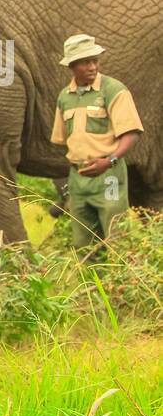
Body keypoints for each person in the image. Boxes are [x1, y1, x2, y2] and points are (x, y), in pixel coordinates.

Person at [50, 34, 144, 260]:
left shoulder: (114, 90)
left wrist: (109, 160)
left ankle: (122, 291)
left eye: (95, 60)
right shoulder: (65, 97)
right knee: (84, 246)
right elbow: (61, 140)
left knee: (116, 236)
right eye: (85, 62)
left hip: (109, 175)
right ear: (72, 66)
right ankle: (92, 292)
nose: (92, 66)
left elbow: (131, 134)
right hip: (79, 178)